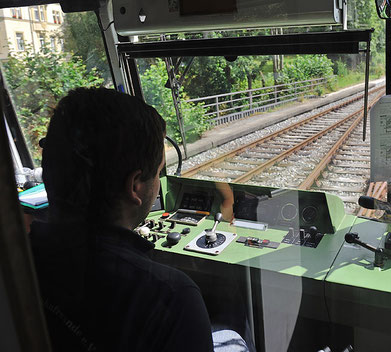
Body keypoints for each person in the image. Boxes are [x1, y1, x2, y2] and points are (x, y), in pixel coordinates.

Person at [29, 87, 247, 351]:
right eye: (157, 172)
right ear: (135, 187)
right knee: (232, 336)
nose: (158, 181)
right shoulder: (172, 297)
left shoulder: (18, 260)